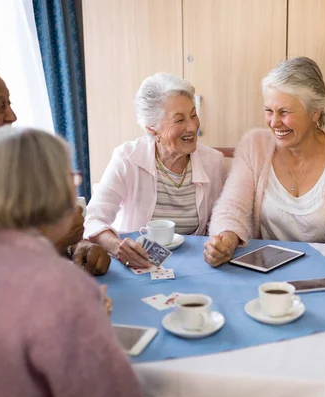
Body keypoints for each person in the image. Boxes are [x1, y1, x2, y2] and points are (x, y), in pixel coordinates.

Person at [0, 126, 140, 397]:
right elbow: (115, 393)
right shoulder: (63, 287)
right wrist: (89, 316)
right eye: (71, 180)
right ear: (54, 193)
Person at [204, 57, 325, 267]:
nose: (274, 123)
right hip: (263, 271)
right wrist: (226, 238)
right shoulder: (254, 145)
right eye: (269, 110)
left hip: (324, 273)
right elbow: (232, 208)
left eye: (284, 112)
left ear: (315, 112)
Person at [0, 61, 109, 275]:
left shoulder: (2, 159)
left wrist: (77, 247)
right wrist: (53, 240)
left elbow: (25, 228)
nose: (12, 116)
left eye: (9, 104)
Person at [85, 72, 226, 268]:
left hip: (194, 265)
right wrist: (117, 246)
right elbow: (93, 219)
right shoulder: (127, 158)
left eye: (193, 115)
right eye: (179, 120)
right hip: (137, 264)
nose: (192, 126)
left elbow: (220, 221)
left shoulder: (213, 162)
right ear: (152, 128)